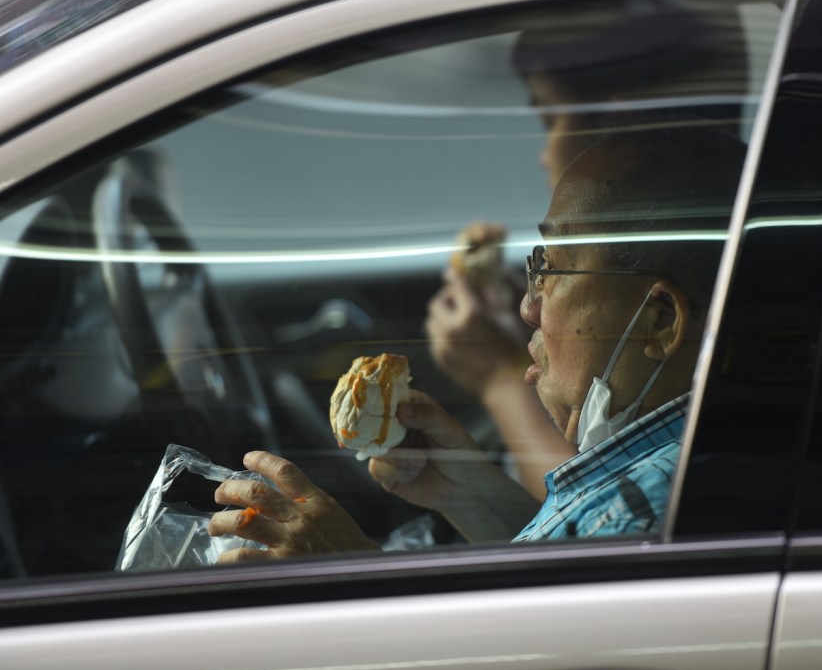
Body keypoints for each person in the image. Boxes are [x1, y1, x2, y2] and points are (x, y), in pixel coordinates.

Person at [207, 125, 745, 561]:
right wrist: (466, 492)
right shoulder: (659, 478)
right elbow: (557, 580)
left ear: (659, 321)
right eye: (535, 265)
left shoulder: (648, 511)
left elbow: (532, 646)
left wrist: (345, 573)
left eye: (553, 268)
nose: (528, 307)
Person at [427, 7, 750, 500]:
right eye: (544, 270)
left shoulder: (655, 484)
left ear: (617, 119)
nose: (543, 153)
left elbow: (595, 508)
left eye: (549, 118)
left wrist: (499, 378)